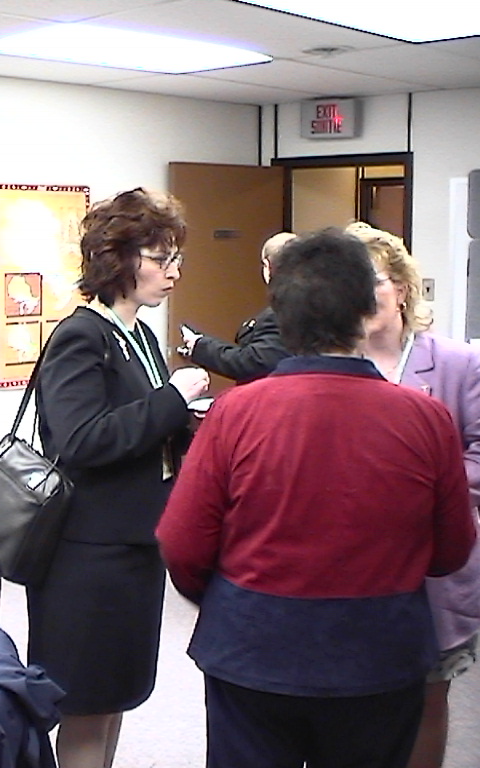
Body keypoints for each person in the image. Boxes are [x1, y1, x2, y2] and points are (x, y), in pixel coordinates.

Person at [156, 229, 477, 768]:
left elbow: (182, 543)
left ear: (281, 317)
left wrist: (235, 600)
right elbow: (450, 551)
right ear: (364, 311)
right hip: (379, 653)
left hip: (253, 645)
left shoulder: (236, 413)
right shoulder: (425, 418)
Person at [28, 187, 209, 768]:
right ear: (118, 259)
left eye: (176, 258)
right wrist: (172, 400)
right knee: (85, 703)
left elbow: (140, 428)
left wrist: (187, 421)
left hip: (134, 546)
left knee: (116, 697)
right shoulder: (81, 335)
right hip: (88, 556)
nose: (173, 272)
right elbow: (81, 439)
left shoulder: (141, 337)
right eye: (161, 258)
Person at [349, 220, 480, 768]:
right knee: (354, 703)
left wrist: (424, 494)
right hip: (353, 564)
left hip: (432, 560)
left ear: (402, 289)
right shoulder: (334, 366)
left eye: (374, 281)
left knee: (427, 696)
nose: (362, 296)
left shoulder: (456, 363)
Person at [178, 231, 295, 383]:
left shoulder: (284, 313)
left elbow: (255, 364)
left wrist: (199, 346)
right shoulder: (316, 306)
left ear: (267, 266)